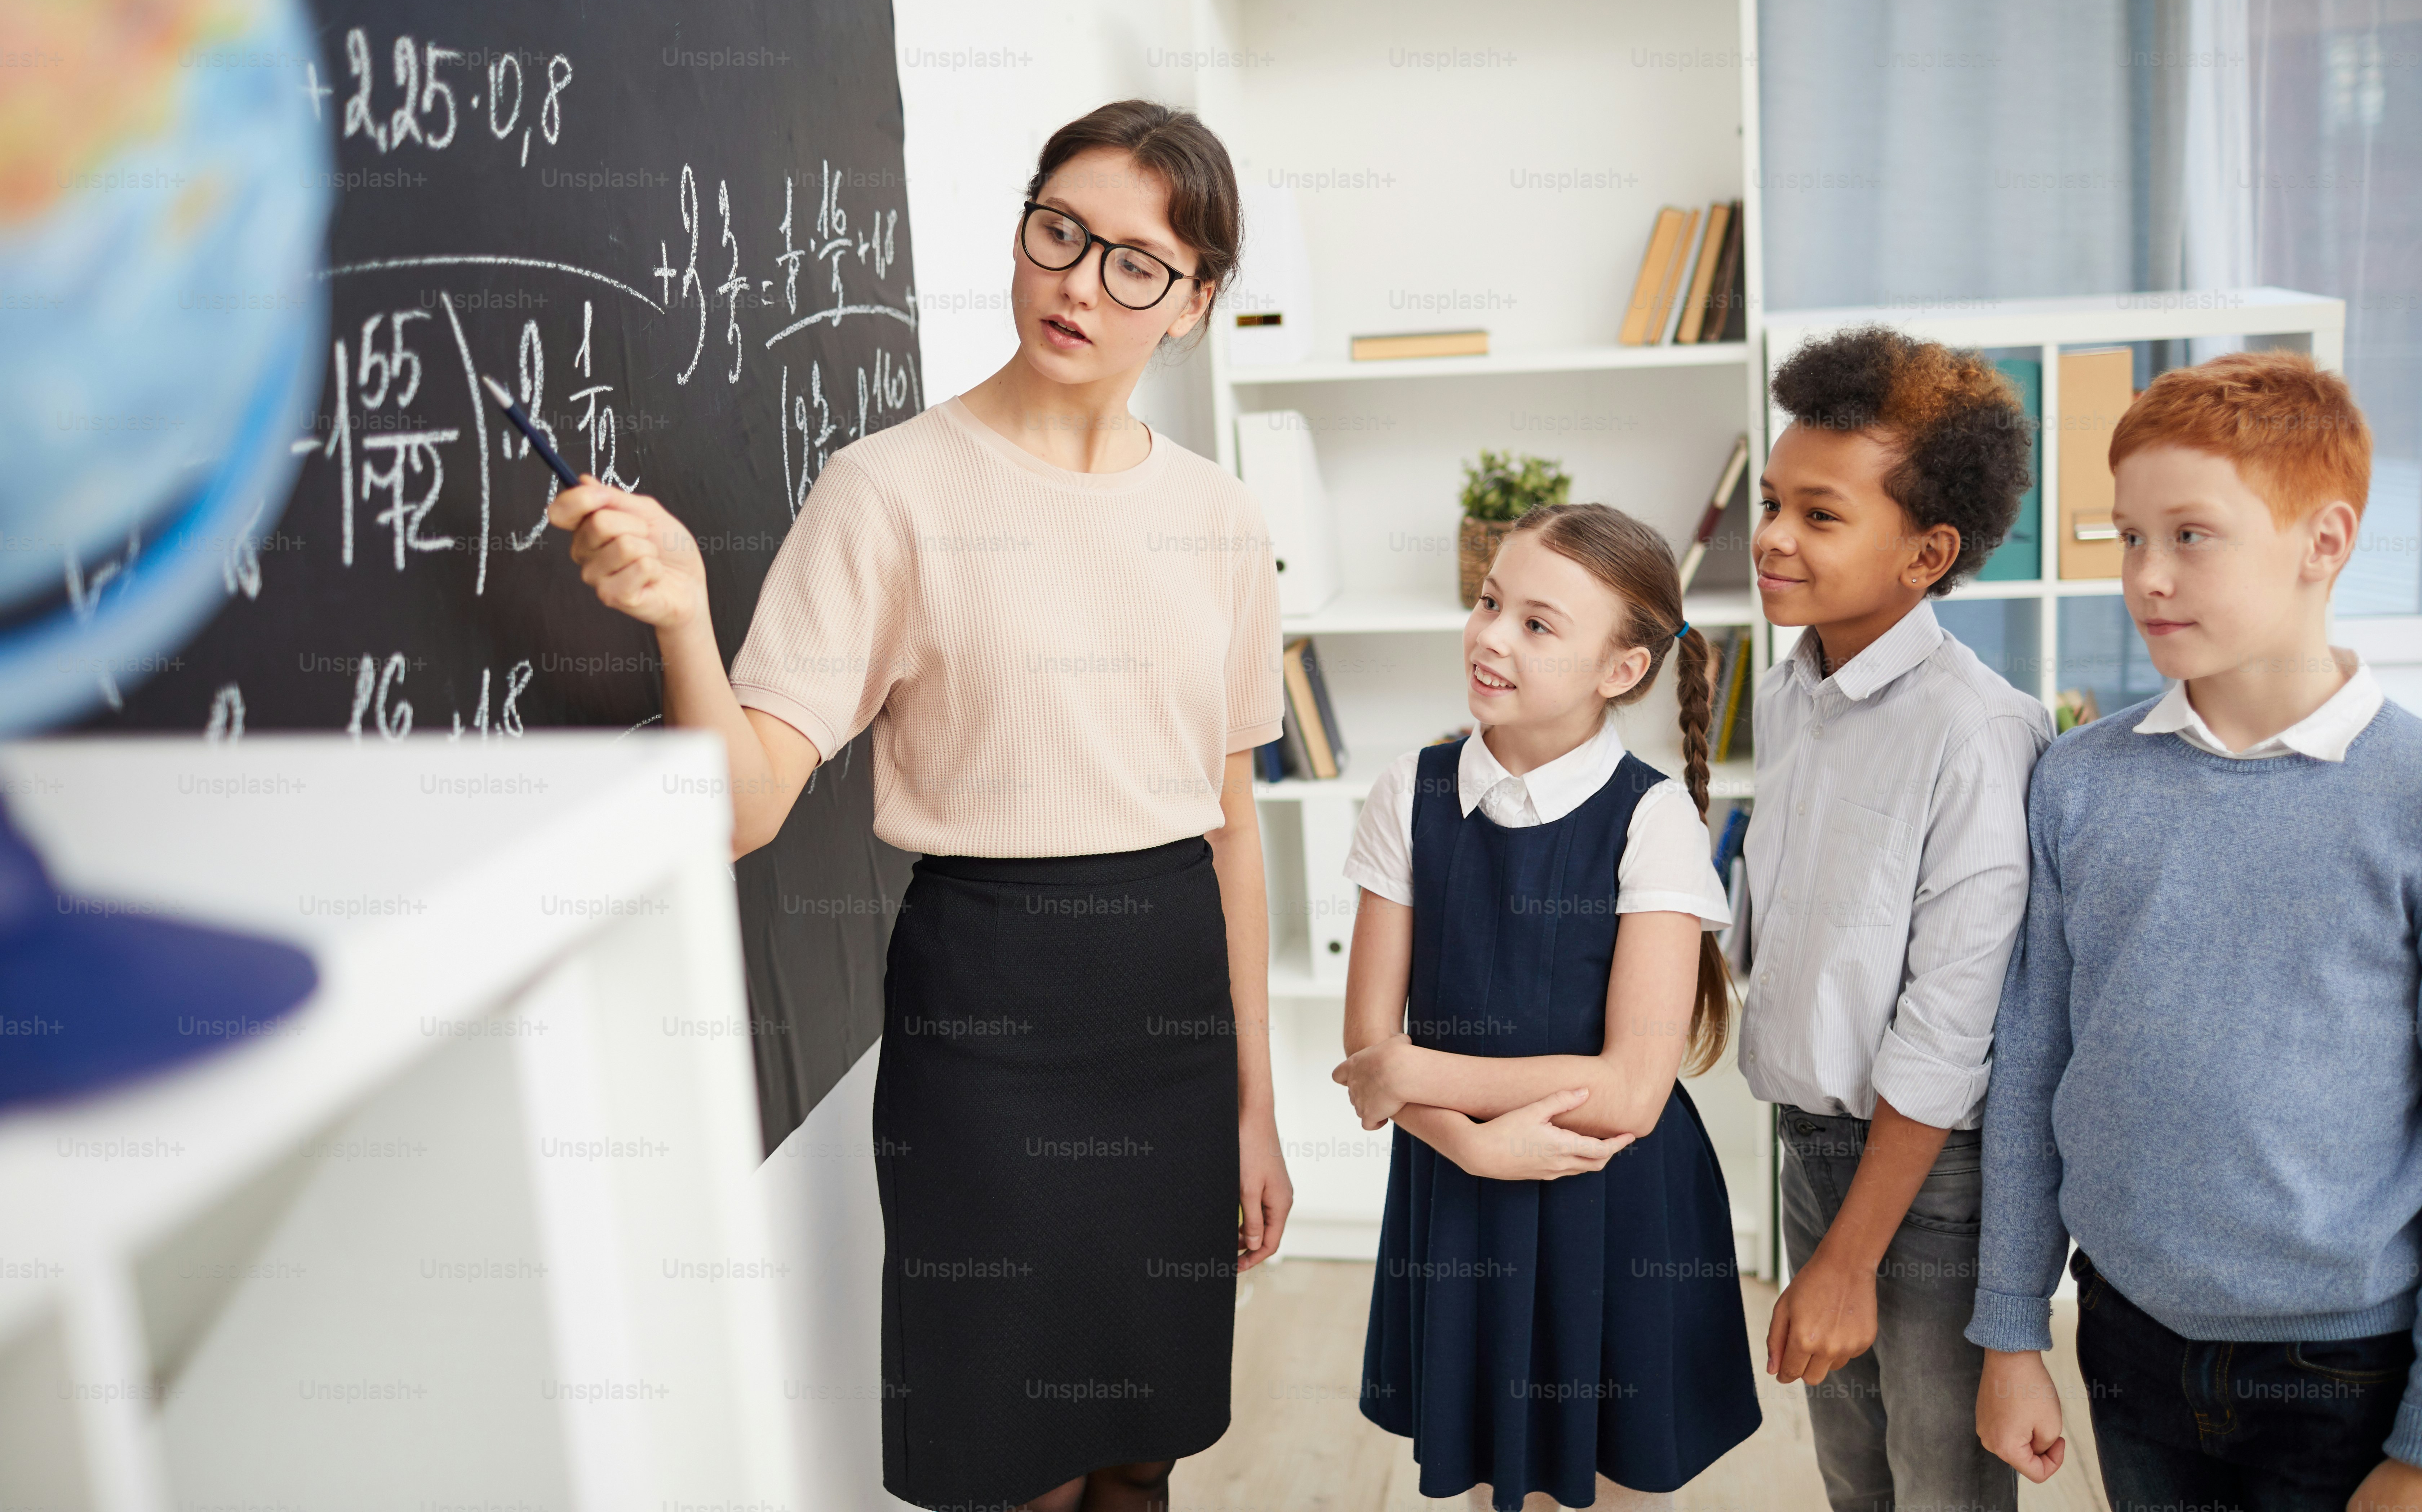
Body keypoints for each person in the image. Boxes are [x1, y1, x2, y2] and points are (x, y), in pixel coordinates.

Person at [547, 99, 1291, 1512]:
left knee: (1147, 1440)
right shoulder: (887, 489)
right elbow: (743, 807)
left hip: (1173, 1011)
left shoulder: (1225, 520)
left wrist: (1257, 1108)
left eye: (1137, 261)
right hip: (988, 1005)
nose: (1080, 281)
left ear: (1193, 303)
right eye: (1059, 229)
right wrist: (684, 618)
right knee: (1007, 1459)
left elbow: (1233, 824)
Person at [1969, 352, 2422, 1512]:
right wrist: (2014, 1331)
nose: (2146, 576)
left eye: (2191, 536)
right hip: (2128, 1339)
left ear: (2325, 542)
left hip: (2348, 1370)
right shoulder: (2077, 781)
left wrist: (2420, 1447)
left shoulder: (2410, 794)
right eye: (2128, 537)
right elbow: (2030, 1070)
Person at [1331, 502, 1762, 1511]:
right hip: (1458, 1183)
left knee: (1613, 1477)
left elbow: (1630, 1091)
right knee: (1491, 1473)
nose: (1489, 636)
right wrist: (1470, 1142)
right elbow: (1366, 1050)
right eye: (1490, 602)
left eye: (1537, 623)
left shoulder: (1653, 818)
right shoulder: (1410, 792)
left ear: (1622, 671)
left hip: (1610, 1195)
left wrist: (1416, 1074)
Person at [1742, 326, 2049, 1512]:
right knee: (1854, 1480)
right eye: (1774, 502)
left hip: (1926, 1185)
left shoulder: (1978, 731)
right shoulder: (1792, 691)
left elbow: (1947, 1024)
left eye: (1821, 516)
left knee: (1942, 1492)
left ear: (1927, 554)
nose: (1771, 535)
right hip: (1811, 1149)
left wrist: (1849, 1260)